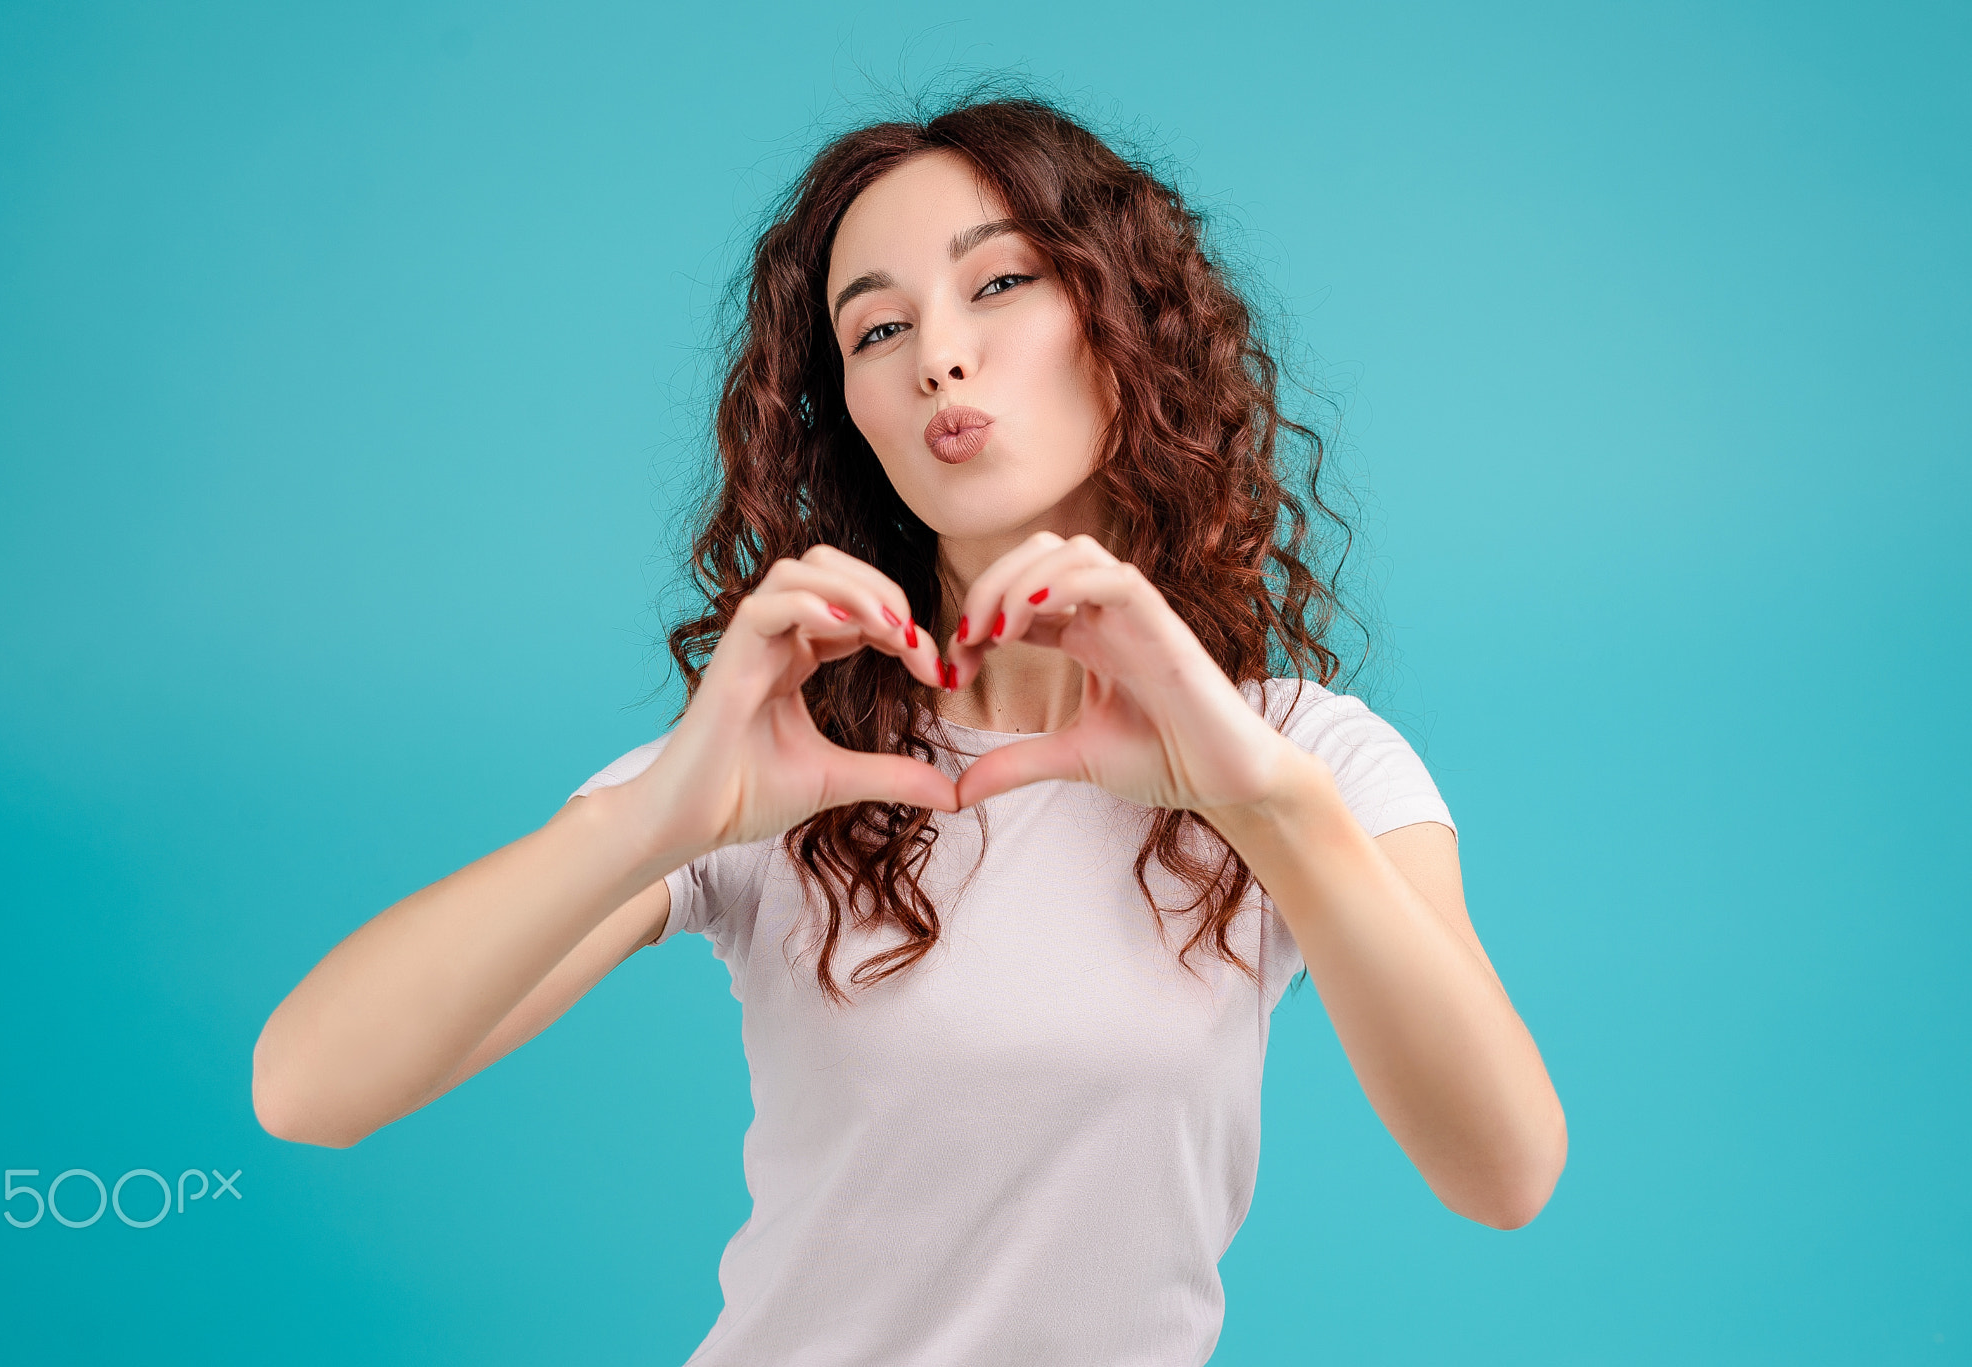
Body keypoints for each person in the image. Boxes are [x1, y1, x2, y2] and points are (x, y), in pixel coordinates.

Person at [252, 95, 1566, 1365]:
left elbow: (1504, 1174)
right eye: (875, 330)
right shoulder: (778, 762)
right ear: (853, 417)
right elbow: (306, 1091)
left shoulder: (1306, 762)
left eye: (1000, 285)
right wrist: (650, 824)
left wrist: (1269, 807)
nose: (937, 353)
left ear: (1128, 326)